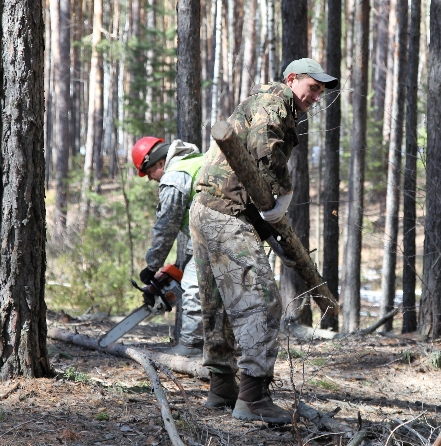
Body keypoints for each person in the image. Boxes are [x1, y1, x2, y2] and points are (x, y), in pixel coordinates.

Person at [189, 58, 338, 423]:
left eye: (320, 91)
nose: (315, 96)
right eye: (312, 87)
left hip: (208, 207)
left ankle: (222, 387)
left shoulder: (268, 104)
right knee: (263, 301)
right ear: (292, 79)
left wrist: (270, 223)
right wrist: (281, 193)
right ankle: (253, 397)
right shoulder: (275, 102)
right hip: (225, 210)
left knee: (219, 304)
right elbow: (265, 150)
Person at [132, 136, 207, 357]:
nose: (150, 179)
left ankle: (192, 346)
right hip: (224, 233)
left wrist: (151, 267)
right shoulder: (196, 161)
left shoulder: (175, 177)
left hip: (214, 237)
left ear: (159, 163)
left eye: (149, 173)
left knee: (194, 288)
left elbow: (166, 226)